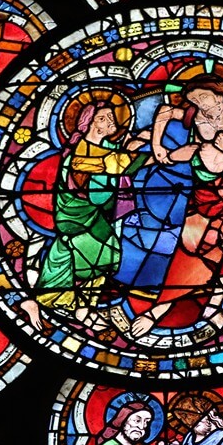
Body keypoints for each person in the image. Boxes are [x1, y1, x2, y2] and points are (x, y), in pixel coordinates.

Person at [129, 74, 223, 337]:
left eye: (202, 97)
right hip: (203, 202)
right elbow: (165, 112)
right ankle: (159, 309)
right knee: (190, 258)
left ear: (221, 95)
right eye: (194, 100)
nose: (198, 104)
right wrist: (156, 147)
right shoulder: (195, 122)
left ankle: (213, 308)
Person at [20, 99, 151, 332]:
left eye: (111, 117)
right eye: (103, 118)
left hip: (99, 213)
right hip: (77, 213)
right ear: (89, 122)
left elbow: (121, 164)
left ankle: (82, 305)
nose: (111, 121)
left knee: (105, 255)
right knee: (77, 251)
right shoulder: (78, 149)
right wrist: (136, 153)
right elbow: (109, 166)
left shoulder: (110, 150)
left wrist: (150, 153)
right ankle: (43, 300)